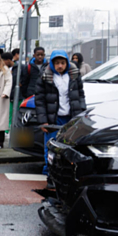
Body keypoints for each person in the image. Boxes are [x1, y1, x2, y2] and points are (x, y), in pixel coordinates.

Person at [35, 50, 86, 178]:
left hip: (71, 117)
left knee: (70, 146)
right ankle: (49, 172)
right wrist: (43, 121)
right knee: (50, 146)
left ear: (67, 63)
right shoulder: (45, 76)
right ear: (52, 64)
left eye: (63, 63)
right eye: (57, 63)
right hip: (53, 118)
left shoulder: (74, 75)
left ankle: (67, 172)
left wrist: (81, 115)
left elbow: (80, 96)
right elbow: (39, 100)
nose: (60, 66)